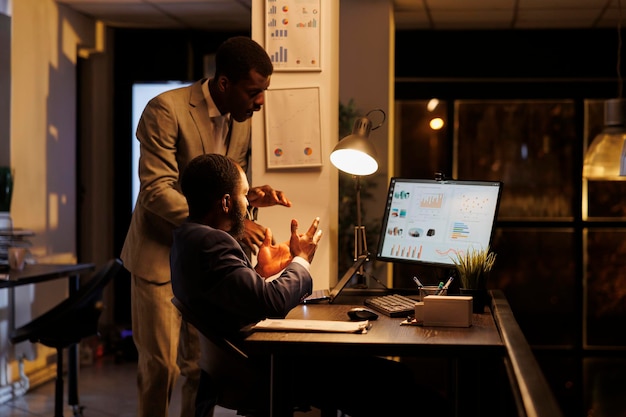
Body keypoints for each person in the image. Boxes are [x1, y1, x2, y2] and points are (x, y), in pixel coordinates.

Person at [171, 154, 432, 417]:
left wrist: (261, 272)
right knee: (395, 378)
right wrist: (301, 260)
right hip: (268, 367)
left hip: (249, 364)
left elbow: (231, 296)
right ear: (226, 202)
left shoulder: (188, 236)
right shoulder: (213, 243)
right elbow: (272, 303)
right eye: (245, 196)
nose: (247, 208)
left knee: (392, 377)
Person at [121, 36, 290, 417]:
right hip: (159, 257)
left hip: (206, 266)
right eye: (254, 91)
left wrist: (252, 197)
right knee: (161, 370)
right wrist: (233, 226)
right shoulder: (165, 110)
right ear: (225, 84)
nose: (260, 102)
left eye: (263, 91)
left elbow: (226, 188)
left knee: (202, 369)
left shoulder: (241, 121)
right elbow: (155, 191)